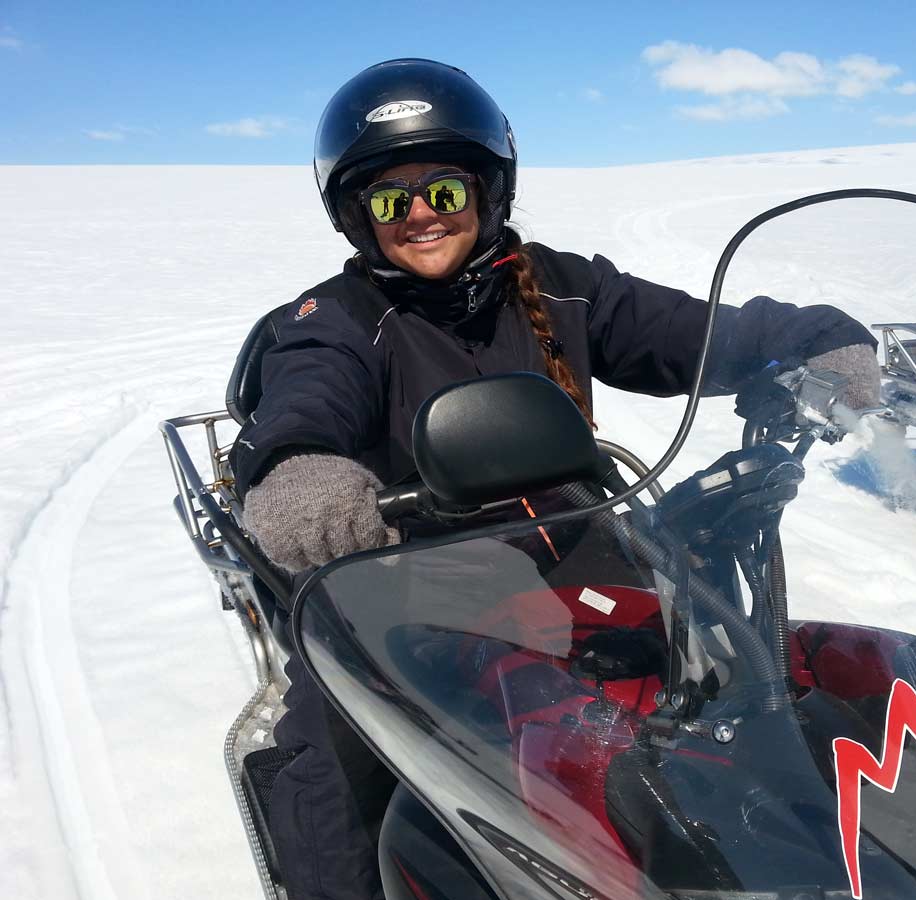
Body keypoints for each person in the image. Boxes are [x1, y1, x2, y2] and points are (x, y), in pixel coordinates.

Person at [230, 58, 881, 900]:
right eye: (391, 200)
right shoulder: (340, 321)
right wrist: (298, 469)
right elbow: (304, 401)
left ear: (488, 190)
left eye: (445, 190)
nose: (421, 214)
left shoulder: (563, 286)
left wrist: (813, 339)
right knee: (337, 742)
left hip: (583, 548)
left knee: (739, 674)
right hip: (412, 582)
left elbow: (694, 330)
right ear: (357, 216)